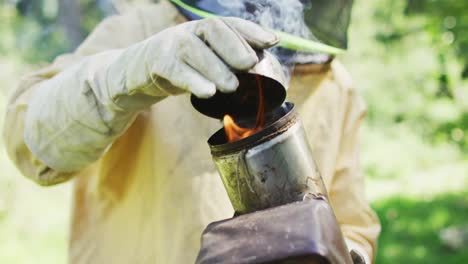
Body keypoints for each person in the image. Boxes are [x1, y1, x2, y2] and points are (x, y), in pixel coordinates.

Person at [3, 0, 380, 263]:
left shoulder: (334, 84)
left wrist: (343, 254)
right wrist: (121, 76)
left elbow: (352, 224)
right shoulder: (141, 30)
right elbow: (29, 146)